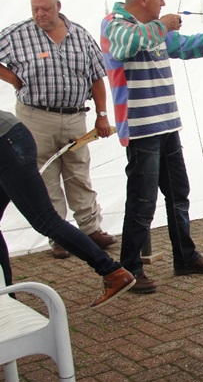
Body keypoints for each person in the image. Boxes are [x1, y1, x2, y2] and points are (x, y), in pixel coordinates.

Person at [100, 0, 203, 294]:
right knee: (141, 202)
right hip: (142, 130)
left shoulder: (154, 31)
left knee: (178, 194)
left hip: (167, 125)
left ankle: (184, 256)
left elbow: (189, 47)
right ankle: (127, 270)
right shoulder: (115, 24)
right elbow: (127, 45)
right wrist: (163, 24)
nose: (164, 2)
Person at [0, 0, 117, 260]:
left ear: (58, 6)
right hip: (35, 116)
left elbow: (97, 77)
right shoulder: (17, 34)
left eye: (45, 9)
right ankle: (60, 236)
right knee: (46, 174)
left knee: (79, 172)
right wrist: (14, 79)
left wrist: (102, 114)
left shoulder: (80, 35)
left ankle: (90, 229)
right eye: (35, 9)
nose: (40, 14)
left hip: (76, 115)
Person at [0, 109, 135, 307]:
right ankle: (6, 295)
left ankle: (112, 271)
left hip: (6, 143)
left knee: (44, 219)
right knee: (44, 219)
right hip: (11, 136)